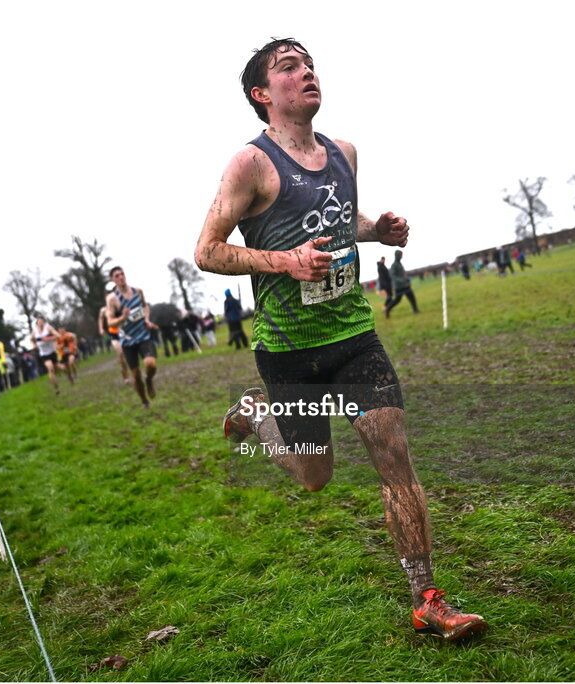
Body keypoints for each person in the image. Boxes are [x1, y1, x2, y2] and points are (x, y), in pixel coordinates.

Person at [194, 37, 486, 641]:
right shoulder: (250, 165)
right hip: (290, 350)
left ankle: (427, 598)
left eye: (309, 64)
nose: (307, 73)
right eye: (289, 67)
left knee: (393, 455)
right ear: (261, 94)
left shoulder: (344, 152)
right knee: (314, 477)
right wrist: (284, 262)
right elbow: (207, 251)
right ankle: (257, 416)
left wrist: (377, 227)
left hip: (354, 335)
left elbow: (337, 219)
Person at [105, 266, 159, 408]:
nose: (121, 277)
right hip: (128, 341)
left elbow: (145, 305)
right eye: (117, 275)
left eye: (122, 274)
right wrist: (122, 317)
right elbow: (110, 322)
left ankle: (149, 380)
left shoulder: (137, 291)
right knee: (135, 375)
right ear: (113, 280)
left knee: (151, 364)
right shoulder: (112, 299)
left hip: (144, 335)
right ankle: (144, 400)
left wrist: (146, 319)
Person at [99, 301, 131, 384]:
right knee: (120, 353)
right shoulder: (104, 310)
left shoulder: (122, 304)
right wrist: (101, 329)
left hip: (125, 332)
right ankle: (125, 375)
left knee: (128, 354)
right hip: (114, 334)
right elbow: (100, 319)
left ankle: (132, 371)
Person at [31, 316, 61, 394]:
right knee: (50, 368)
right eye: (39, 322)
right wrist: (33, 345)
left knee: (57, 368)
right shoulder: (35, 331)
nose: (40, 323)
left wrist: (49, 338)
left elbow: (58, 336)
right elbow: (31, 339)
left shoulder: (48, 328)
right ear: (37, 324)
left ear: (44, 322)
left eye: (42, 322)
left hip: (52, 351)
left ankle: (62, 372)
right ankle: (56, 387)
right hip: (43, 354)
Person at [385, 249, 419, 316]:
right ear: (397, 255)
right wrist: (402, 280)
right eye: (400, 255)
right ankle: (387, 309)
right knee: (397, 300)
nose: (401, 256)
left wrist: (407, 279)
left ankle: (415, 310)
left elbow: (402, 274)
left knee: (412, 297)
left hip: (405, 285)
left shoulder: (399, 263)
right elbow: (393, 276)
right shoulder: (394, 265)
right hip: (399, 287)